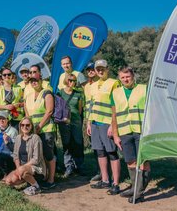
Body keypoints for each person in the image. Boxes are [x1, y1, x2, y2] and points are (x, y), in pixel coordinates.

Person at [111, 67, 149, 203]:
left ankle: (138, 193)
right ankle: (135, 188)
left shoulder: (144, 89)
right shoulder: (115, 93)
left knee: (143, 161)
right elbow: (114, 116)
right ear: (119, 79)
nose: (126, 79)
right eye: (123, 77)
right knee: (130, 161)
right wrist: (115, 135)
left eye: (128, 76)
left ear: (133, 76)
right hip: (125, 132)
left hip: (141, 131)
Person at [86, 59, 121, 195]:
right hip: (95, 122)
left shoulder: (114, 83)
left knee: (111, 152)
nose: (100, 71)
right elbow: (91, 105)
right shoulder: (93, 85)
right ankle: (105, 180)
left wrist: (113, 125)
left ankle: (116, 183)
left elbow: (117, 105)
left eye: (102, 69)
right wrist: (89, 122)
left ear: (107, 69)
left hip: (107, 123)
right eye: (98, 69)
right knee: (100, 152)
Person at [24, 76, 56, 189]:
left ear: (41, 81)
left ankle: (51, 179)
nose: (34, 83)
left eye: (36, 80)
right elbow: (27, 114)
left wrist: (39, 126)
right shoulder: (28, 96)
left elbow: (49, 111)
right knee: (38, 155)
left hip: (46, 129)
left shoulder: (46, 93)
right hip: (33, 130)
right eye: (32, 81)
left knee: (48, 154)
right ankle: (44, 176)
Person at [3, 117, 46, 196]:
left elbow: (36, 159)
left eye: (27, 125)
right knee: (8, 181)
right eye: (22, 125)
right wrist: (18, 168)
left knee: (22, 170)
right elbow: (15, 155)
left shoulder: (36, 138)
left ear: (31, 126)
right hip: (22, 168)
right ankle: (28, 183)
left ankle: (36, 187)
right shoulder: (18, 138)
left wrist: (21, 168)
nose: (25, 127)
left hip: (36, 168)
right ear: (20, 126)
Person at [58, 73, 85, 178]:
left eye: (74, 81)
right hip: (64, 123)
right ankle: (68, 166)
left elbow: (79, 110)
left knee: (78, 143)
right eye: (69, 80)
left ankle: (79, 165)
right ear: (66, 80)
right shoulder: (60, 93)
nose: (72, 82)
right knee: (67, 144)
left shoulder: (78, 94)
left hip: (76, 122)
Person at [0, 110, 19, 179]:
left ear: (7, 119)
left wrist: (8, 141)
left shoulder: (13, 131)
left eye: (3, 118)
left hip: (10, 156)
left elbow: (16, 149)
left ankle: (7, 173)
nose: (1, 120)